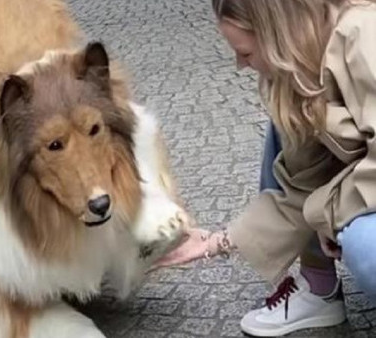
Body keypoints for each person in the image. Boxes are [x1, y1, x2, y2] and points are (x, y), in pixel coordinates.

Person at [155, 0, 376, 336]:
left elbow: (316, 199)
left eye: (245, 52)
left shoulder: (364, 36)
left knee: (364, 245)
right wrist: (216, 243)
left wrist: (327, 211)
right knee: (286, 127)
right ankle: (319, 289)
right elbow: (301, 184)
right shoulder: (300, 72)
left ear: (279, 35)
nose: (241, 65)